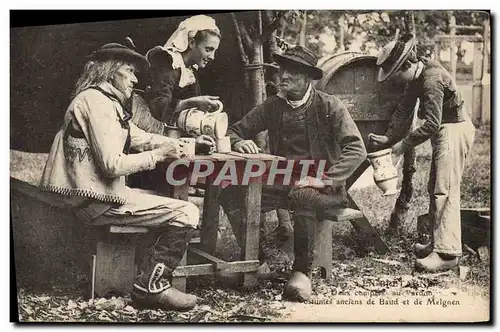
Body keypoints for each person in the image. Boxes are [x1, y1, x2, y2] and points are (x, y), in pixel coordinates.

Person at [39, 41, 201, 311]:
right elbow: (112, 166)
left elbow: (139, 137)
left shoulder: (101, 101)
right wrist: (158, 156)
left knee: (162, 201)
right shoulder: (98, 103)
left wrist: (177, 145)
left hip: (94, 196)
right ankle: (150, 287)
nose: (136, 79)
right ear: (111, 71)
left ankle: (142, 278)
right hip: (96, 201)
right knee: (187, 212)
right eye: (130, 71)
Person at [219, 46, 367, 302]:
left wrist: (325, 179)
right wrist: (238, 141)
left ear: (308, 77)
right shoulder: (273, 106)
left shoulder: (329, 105)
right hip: (282, 182)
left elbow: (356, 149)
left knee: (303, 196)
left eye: (293, 72)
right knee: (230, 191)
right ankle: (260, 262)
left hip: (325, 188)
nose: (283, 76)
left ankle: (301, 273)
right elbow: (235, 129)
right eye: (283, 70)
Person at [369, 34, 476, 272]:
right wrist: (389, 137)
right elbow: (404, 109)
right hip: (444, 129)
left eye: (397, 74)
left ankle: (448, 254)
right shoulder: (418, 74)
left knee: (444, 189)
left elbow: (431, 124)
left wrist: (403, 145)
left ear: (407, 65)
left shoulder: (431, 79)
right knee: (434, 187)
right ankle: (438, 242)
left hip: (454, 130)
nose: (396, 80)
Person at [145, 14, 222, 126]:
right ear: (191, 43)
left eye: (214, 51)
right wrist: (193, 102)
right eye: (208, 49)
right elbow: (158, 107)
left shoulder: (189, 70)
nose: (212, 57)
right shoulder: (169, 63)